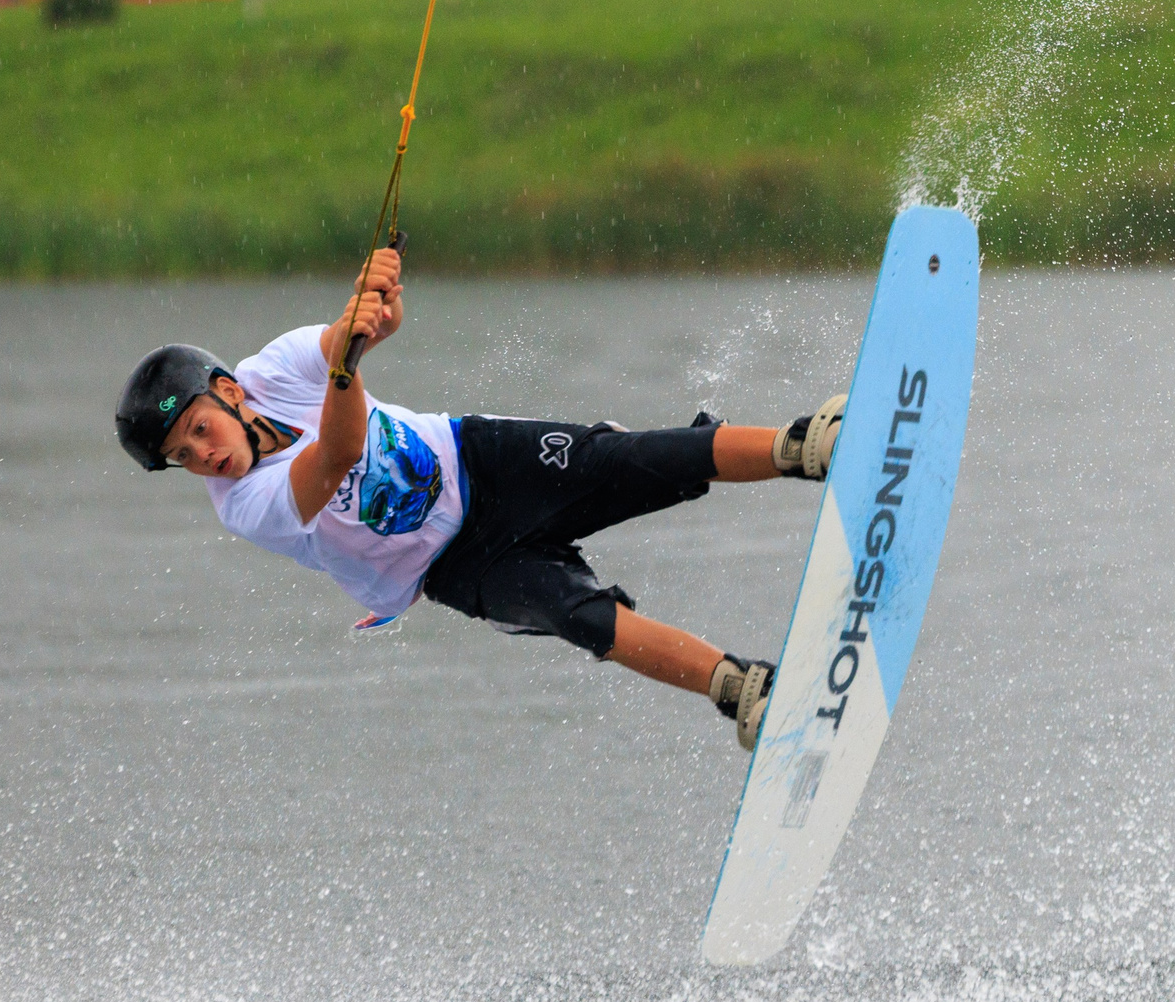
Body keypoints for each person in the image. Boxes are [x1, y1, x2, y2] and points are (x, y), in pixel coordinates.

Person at [112, 245, 842, 750]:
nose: (204, 455)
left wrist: (373, 311)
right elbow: (336, 454)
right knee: (581, 616)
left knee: (634, 458)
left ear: (230, 394)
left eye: (200, 431)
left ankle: (804, 448)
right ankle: (745, 692)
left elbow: (349, 338)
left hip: (479, 459)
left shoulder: (274, 366)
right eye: (183, 458)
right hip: (452, 566)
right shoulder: (243, 505)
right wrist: (349, 366)